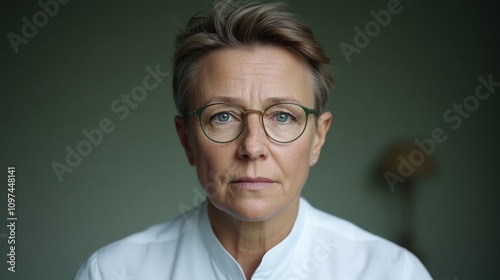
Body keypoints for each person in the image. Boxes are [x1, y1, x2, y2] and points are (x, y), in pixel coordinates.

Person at [74, 0, 432, 279]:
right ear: (187, 141)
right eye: (223, 116)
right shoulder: (111, 273)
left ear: (318, 138)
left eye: (282, 116)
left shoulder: (393, 273)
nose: (252, 147)